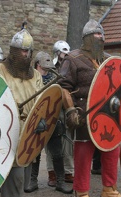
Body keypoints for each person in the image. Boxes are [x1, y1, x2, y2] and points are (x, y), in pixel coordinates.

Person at [58, 19, 121, 197]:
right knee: (83, 152)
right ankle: (81, 191)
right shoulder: (72, 59)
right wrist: (70, 110)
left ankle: (109, 189)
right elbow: (64, 86)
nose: (100, 37)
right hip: (84, 113)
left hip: (110, 112)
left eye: (102, 35)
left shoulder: (108, 60)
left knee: (112, 150)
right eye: (96, 34)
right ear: (86, 38)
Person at [0, 28, 43, 197]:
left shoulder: (35, 75)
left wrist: (42, 118)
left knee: (23, 180)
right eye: (23, 50)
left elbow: (42, 101)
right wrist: (8, 109)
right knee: (14, 178)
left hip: (29, 133)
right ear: (13, 51)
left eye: (29, 51)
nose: (27, 55)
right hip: (7, 133)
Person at [24, 51, 73, 194]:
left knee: (57, 153)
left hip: (52, 120)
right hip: (35, 120)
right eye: (44, 65)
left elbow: (58, 99)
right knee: (35, 153)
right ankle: (33, 181)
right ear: (38, 64)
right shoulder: (31, 79)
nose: (47, 68)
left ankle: (60, 181)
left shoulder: (54, 78)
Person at [46, 40, 74, 185]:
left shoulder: (71, 67)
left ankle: (68, 172)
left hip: (66, 106)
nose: (66, 55)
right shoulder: (50, 68)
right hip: (52, 108)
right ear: (57, 52)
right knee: (51, 139)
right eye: (63, 52)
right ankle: (52, 174)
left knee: (68, 139)